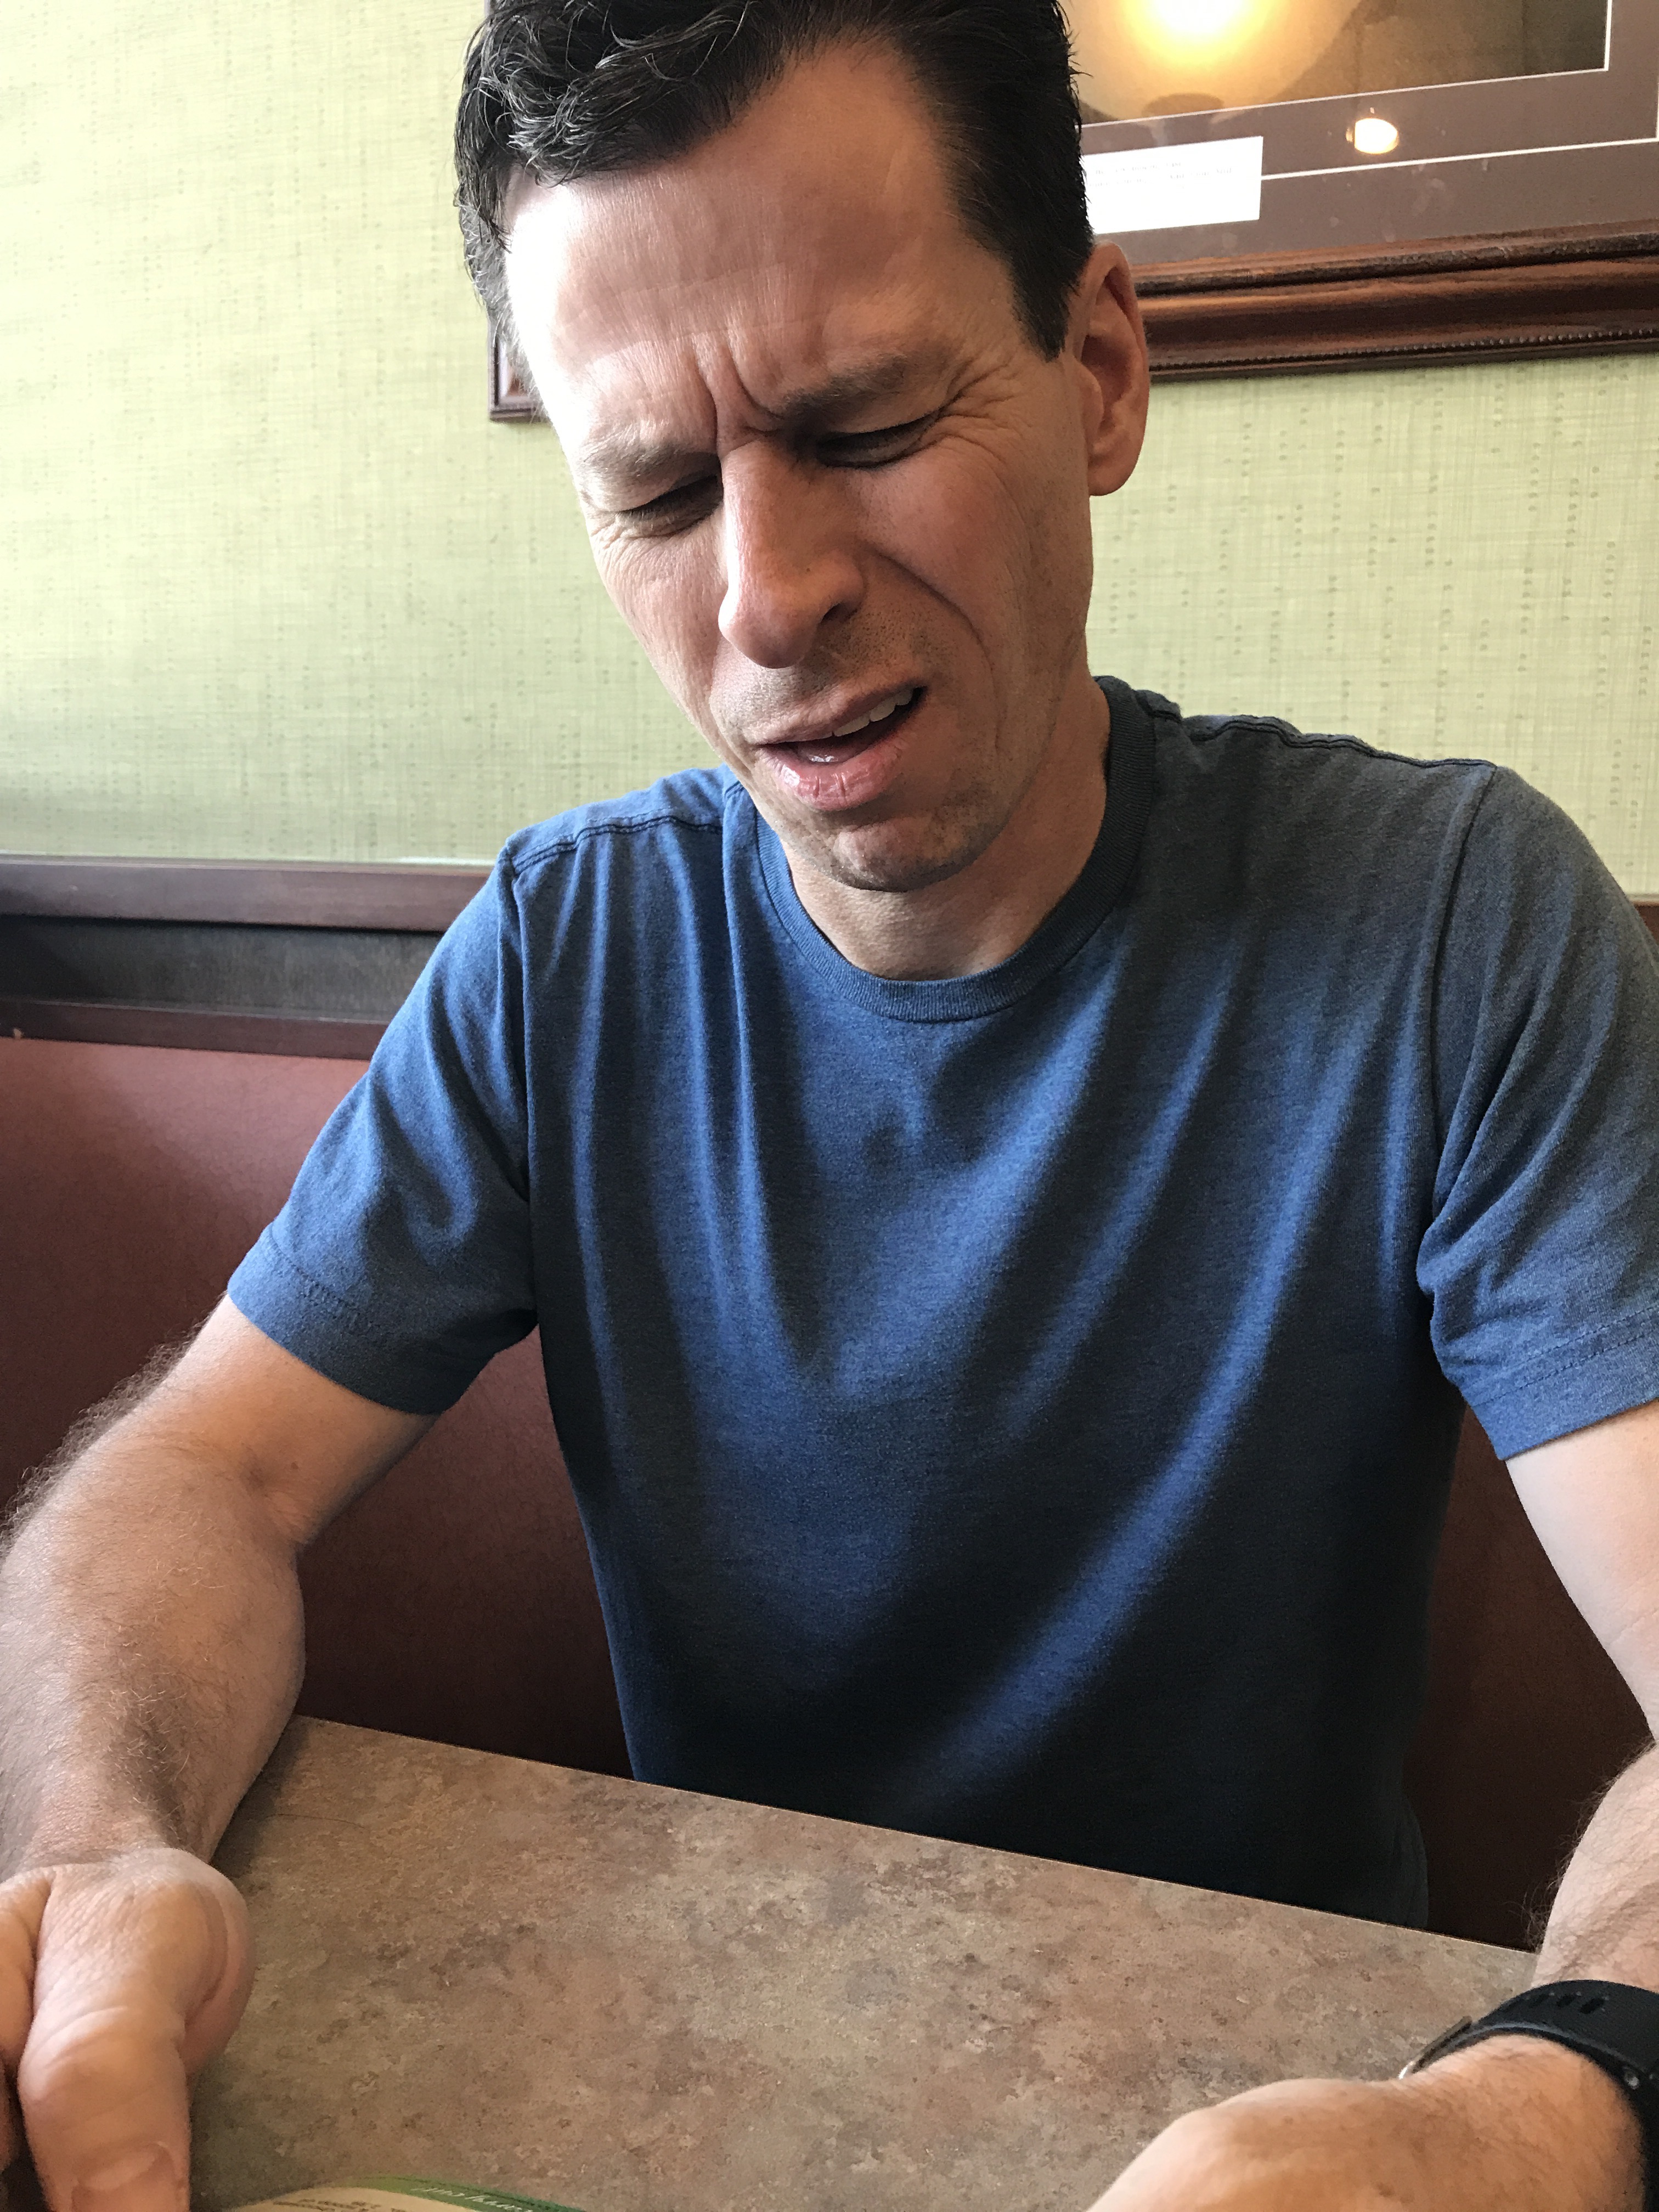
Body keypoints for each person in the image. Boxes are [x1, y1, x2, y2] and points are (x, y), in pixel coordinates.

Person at [2, 2, 1657, 2207]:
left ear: (1099, 370)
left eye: (865, 425)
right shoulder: (568, 951)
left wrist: (1538, 2110)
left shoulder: (1452, 924)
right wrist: (100, 1847)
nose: (766, 597)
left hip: (1287, 2110)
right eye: (656, 494)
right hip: (687, 2084)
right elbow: (198, 1471)